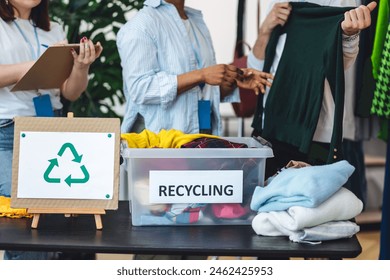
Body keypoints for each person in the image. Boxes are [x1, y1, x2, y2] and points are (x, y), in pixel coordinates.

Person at [116, 0, 273, 260]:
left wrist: (233, 80)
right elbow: (141, 90)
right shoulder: (140, 26)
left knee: (199, 237)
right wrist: (201, 75)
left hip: (202, 149)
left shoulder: (196, 21)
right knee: (160, 244)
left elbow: (205, 91)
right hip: (163, 154)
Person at [0, 0, 103, 260]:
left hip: (53, 129)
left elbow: (70, 91)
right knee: (25, 222)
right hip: (9, 130)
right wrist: (32, 66)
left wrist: (81, 66)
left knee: (70, 217)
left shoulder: (54, 29)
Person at [248, 0, 377, 179]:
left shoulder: (341, 1)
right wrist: (265, 30)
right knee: (261, 200)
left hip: (316, 133)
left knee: (309, 202)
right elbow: (255, 69)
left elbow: (341, 65)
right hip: (269, 125)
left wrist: (349, 35)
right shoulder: (277, 3)